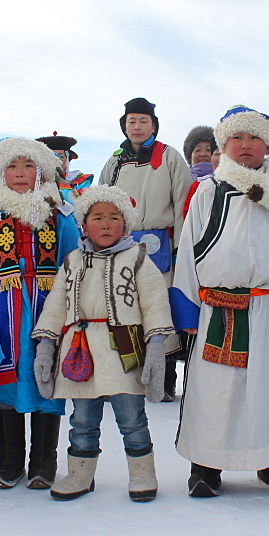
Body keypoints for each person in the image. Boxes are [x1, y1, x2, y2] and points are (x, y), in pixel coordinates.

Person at [170, 106, 269, 497]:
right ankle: (205, 466)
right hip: (218, 311)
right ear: (223, 146)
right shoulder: (208, 193)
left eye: (254, 138)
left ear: (266, 145)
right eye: (236, 138)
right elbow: (188, 252)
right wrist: (186, 306)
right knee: (216, 392)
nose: (245, 146)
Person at [31, 185, 174, 502]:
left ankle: (142, 475)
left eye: (114, 217)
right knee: (81, 419)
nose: (106, 224)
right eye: (97, 217)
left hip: (123, 351)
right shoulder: (72, 261)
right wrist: (45, 347)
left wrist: (155, 349)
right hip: (79, 351)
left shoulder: (137, 258)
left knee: (131, 417)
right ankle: (79, 474)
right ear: (83, 224)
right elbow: (55, 306)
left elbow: (154, 304)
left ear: (126, 223)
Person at [0, 137, 79, 490]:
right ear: (2, 172)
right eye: (12, 166)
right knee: (5, 385)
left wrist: (75, 314)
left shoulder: (61, 215)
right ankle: (9, 462)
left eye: (28, 166)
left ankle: (45, 463)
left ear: (41, 172)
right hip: (4, 312)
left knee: (48, 381)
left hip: (49, 310)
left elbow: (74, 267)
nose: (20, 174)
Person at [100, 98, 192, 401]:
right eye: (131, 121)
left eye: (143, 121)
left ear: (153, 124)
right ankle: (127, 380)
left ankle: (164, 380)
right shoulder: (114, 162)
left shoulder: (170, 157)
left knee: (159, 309)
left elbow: (183, 204)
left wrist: (181, 248)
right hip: (122, 245)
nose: (136, 127)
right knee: (125, 309)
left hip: (159, 245)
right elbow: (101, 204)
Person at [37, 133, 94, 204]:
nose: (56, 161)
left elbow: (81, 204)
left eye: (61, 157)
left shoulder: (79, 181)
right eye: (51, 157)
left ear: (67, 158)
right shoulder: (35, 179)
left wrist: (62, 182)